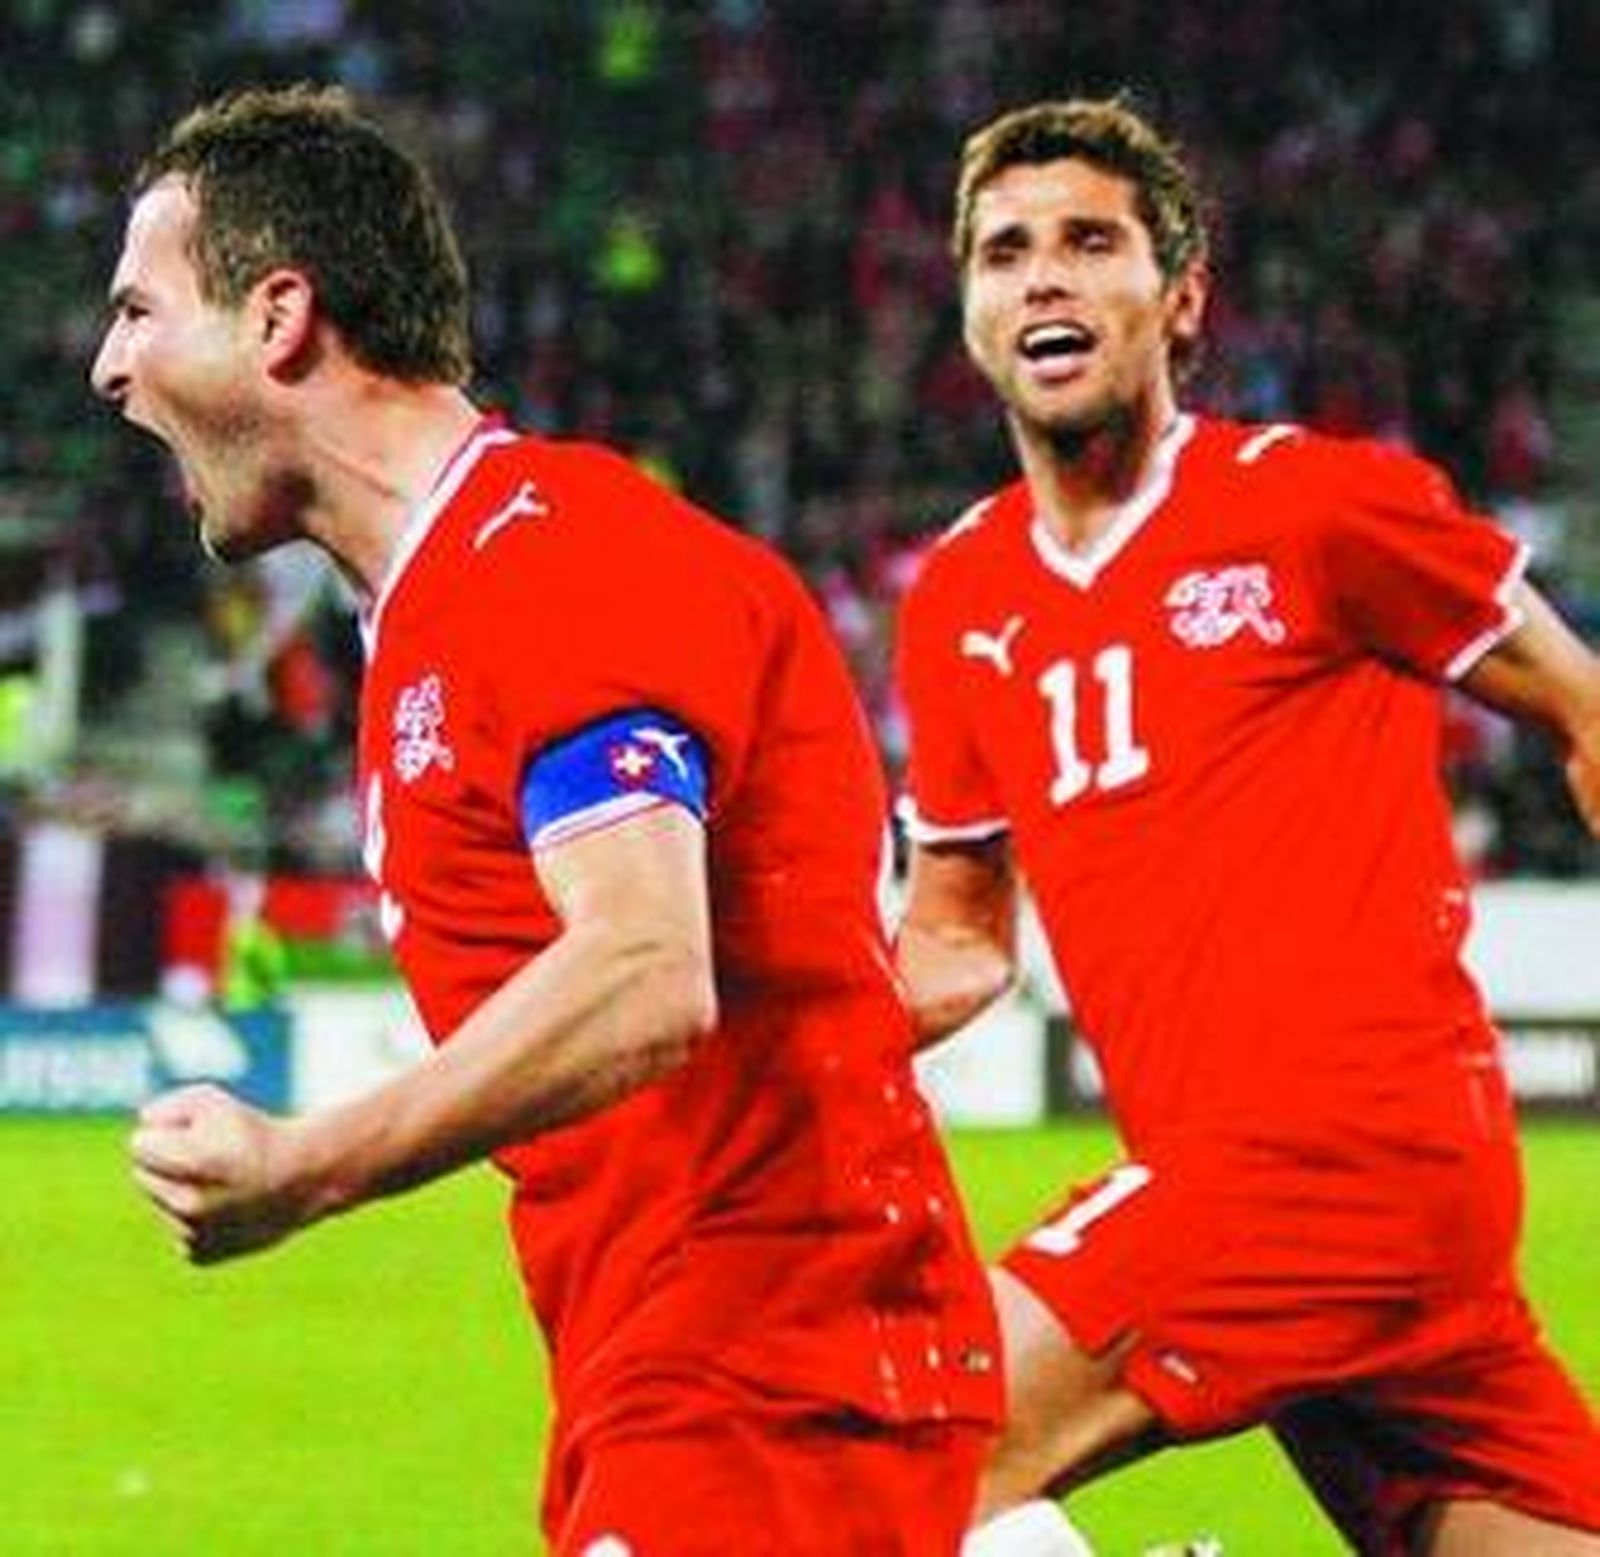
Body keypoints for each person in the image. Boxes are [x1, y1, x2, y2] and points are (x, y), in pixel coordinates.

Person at [93, 84, 1002, 1555]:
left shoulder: (549, 559)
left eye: (140, 312)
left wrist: (307, 1164)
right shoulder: (440, 610)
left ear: (278, 318)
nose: (108, 367)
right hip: (681, 1363)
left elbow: (647, 972)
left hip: (768, 1367)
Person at [894, 96, 1600, 1557]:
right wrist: (753, 1032)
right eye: (1007, 252)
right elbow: (956, 939)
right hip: (1256, 1196)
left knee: (908, 1441)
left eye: (1091, 242)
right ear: (968, 311)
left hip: (1350, 1147)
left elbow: (1583, 705)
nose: (1045, 277)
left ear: (1182, 297)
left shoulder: (1321, 509)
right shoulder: (959, 600)